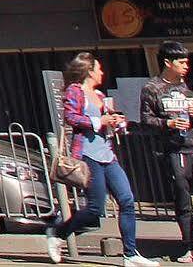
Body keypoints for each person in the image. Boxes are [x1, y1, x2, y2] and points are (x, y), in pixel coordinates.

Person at [47, 52, 156, 267]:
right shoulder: (75, 91)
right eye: (99, 69)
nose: (102, 73)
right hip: (88, 155)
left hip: (107, 154)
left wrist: (116, 121)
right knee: (95, 208)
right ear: (89, 71)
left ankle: (130, 254)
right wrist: (99, 121)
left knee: (126, 199)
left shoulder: (99, 94)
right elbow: (71, 117)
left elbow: (108, 120)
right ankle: (58, 233)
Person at [139, 42, 193, 264]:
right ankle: (189, 247)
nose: (186, 66)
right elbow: (146, 119)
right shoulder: (152, 88)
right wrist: (167, 122)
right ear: (167, 62)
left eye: (187, 62)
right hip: (175, 150)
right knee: (183, 201)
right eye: (181, 62)